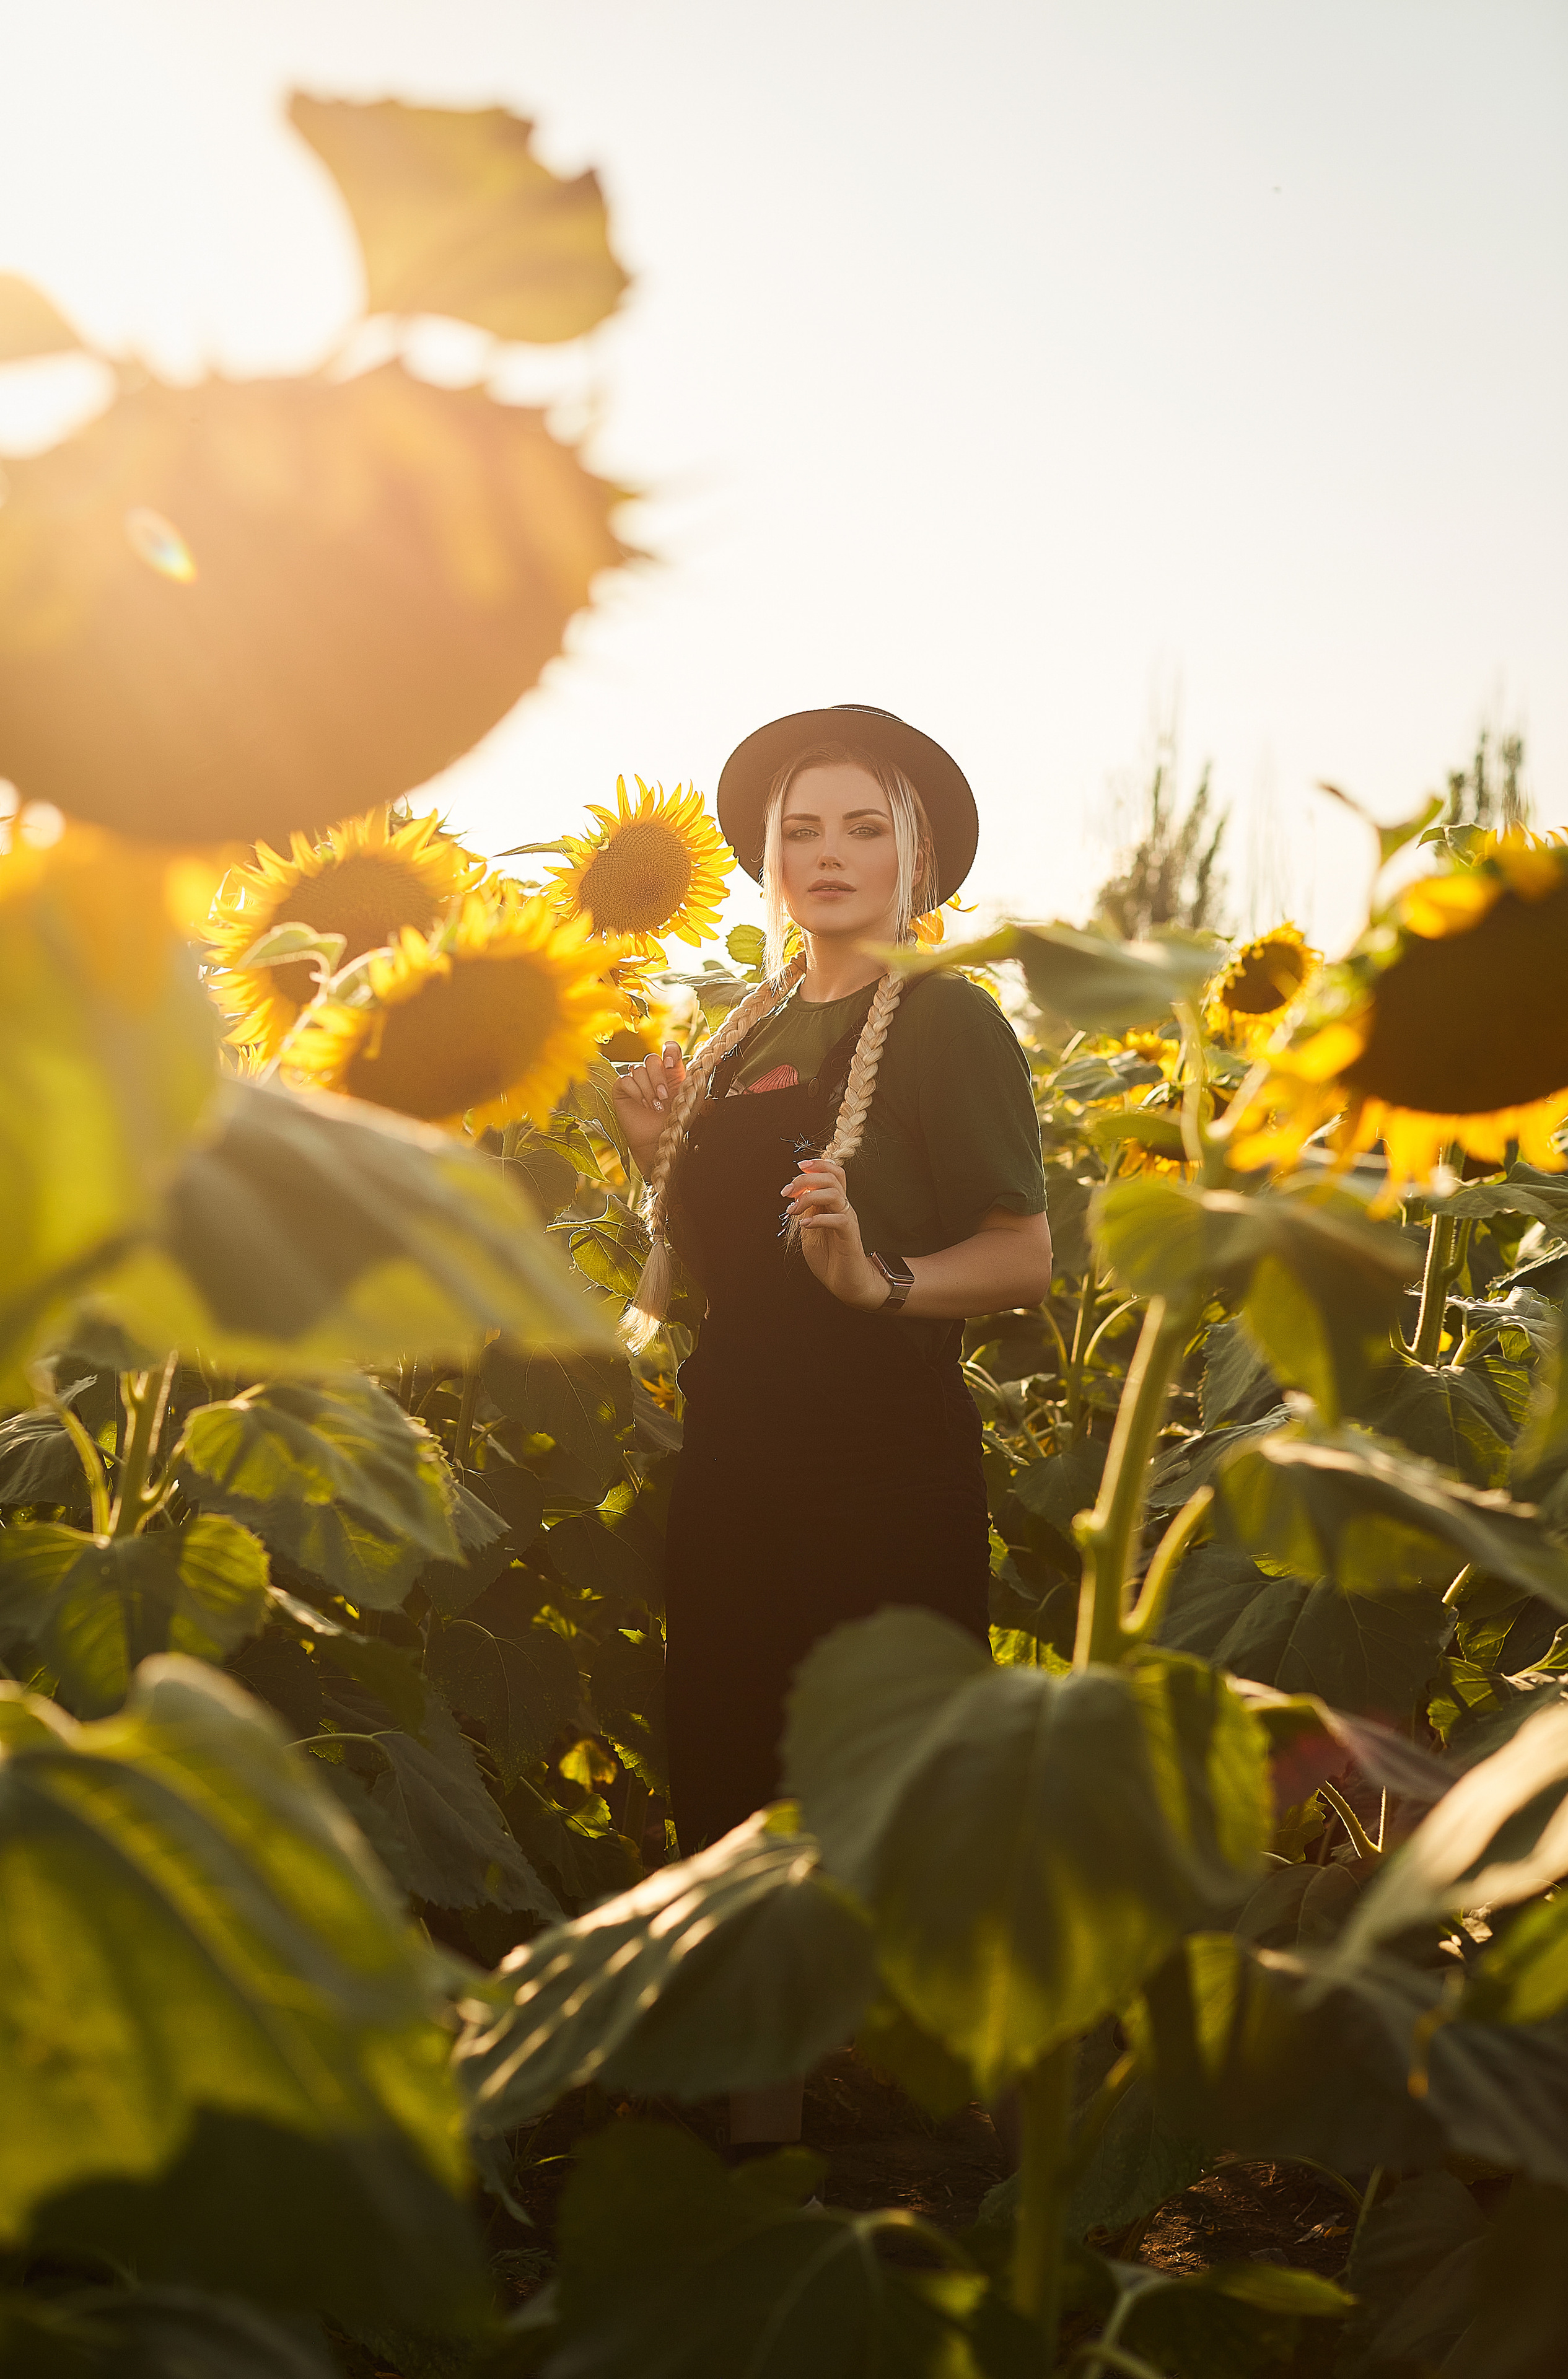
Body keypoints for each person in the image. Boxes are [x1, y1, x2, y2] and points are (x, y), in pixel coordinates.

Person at [612, 704, 1051, 2153]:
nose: (828, 855)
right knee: (734, 1756)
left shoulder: (941, 1020)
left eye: (865, 826)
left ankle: (973, 2129)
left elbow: (1024, 1252)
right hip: (738, 1447)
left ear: (918, 853)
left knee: (900, 1770)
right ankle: (764, 2135)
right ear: (764, 857)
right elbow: (677, 1292)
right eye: (800, 829)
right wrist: (649, 1167)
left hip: (878, 1452)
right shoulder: (741, 1037)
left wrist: (880, 1278)